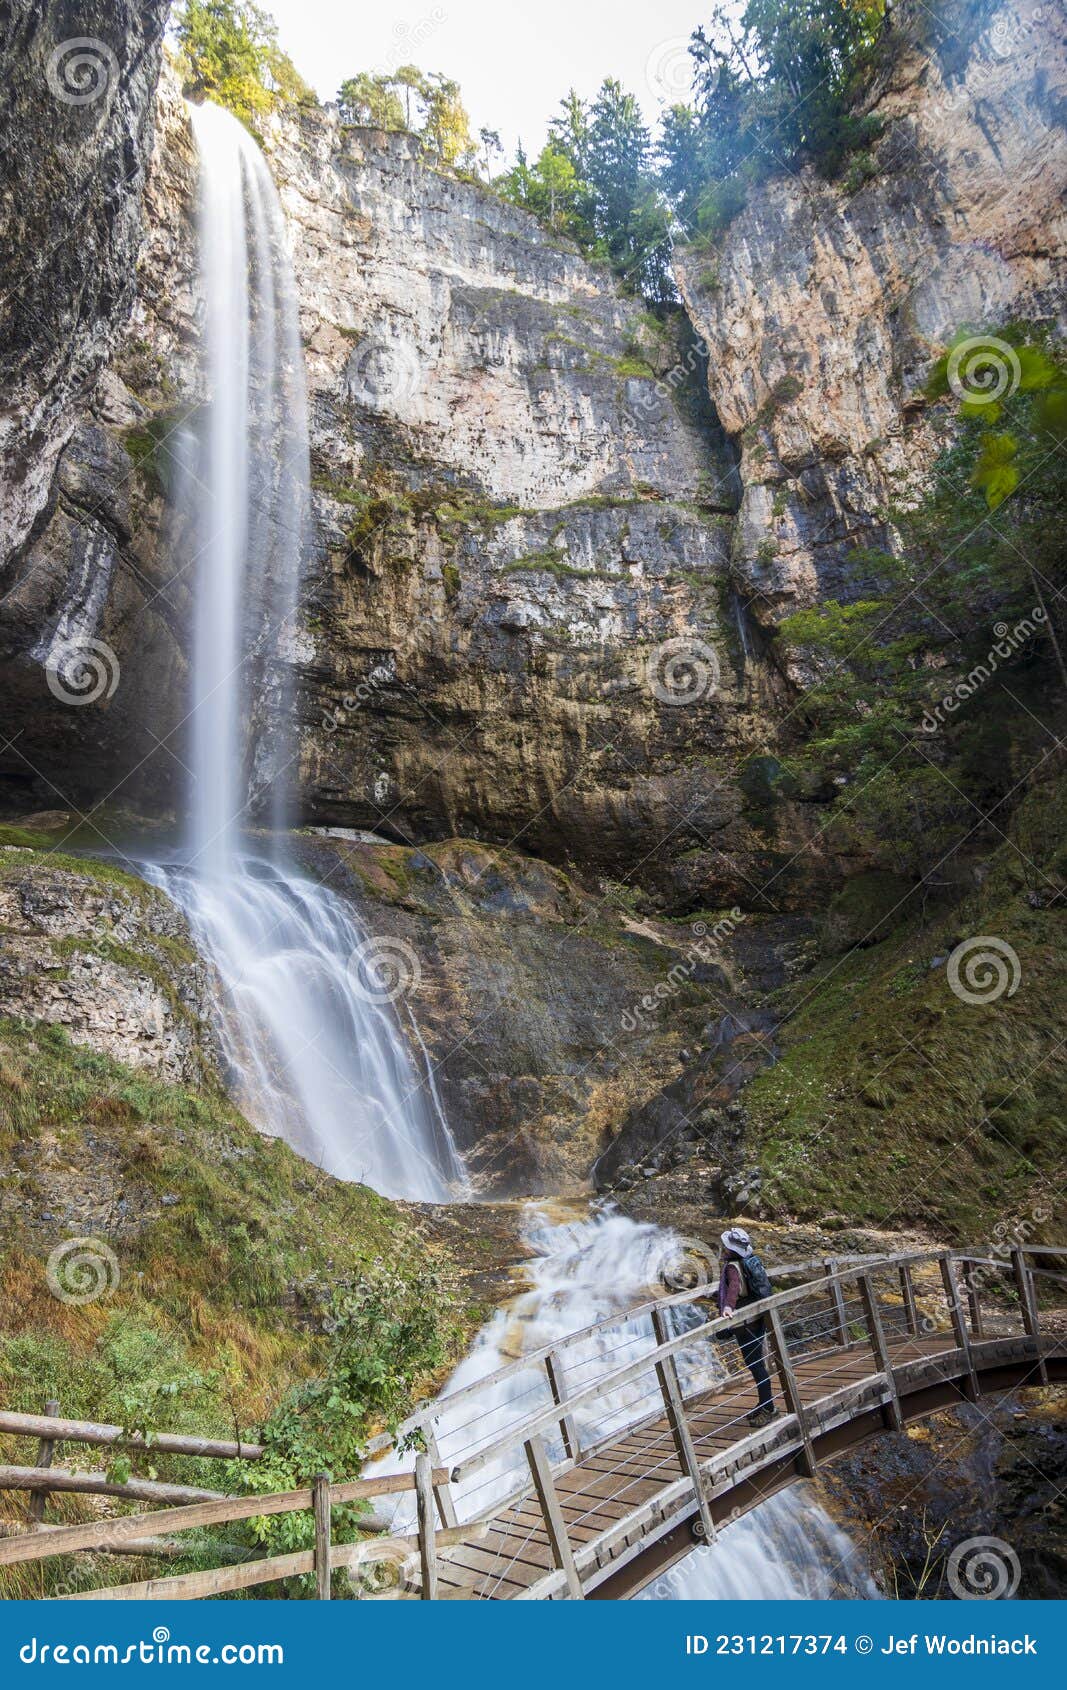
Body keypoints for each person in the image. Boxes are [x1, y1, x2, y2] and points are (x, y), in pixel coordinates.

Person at [717, 1225, 777, 1429]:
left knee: (755, 1364)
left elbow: (734, 1287)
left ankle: (769, 1408)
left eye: (725, 1247)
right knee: (756, 1363)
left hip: (746, 1323)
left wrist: (727, 1306)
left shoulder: (733, 1266)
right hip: (757, 1318)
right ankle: (763, 1403)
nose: (722, 1249)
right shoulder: (748, 1261)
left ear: (730, 1250)